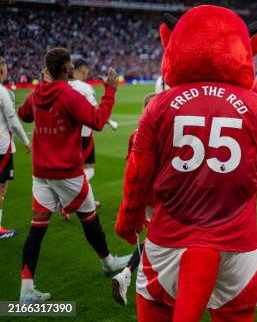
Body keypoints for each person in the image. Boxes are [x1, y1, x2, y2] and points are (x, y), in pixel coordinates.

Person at [115, 7, 257, 321]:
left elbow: (137, 172)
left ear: (171, 43)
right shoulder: (256, 106)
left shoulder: (160, 104)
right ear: (248, 48)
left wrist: (128, 220)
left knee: (157, 309)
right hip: (237, 243)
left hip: (168, 241)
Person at [18, 48, 129, 303]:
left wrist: (39, 89)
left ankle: (26, 291)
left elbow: (24, 116)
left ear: (47, 69)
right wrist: (110, 91)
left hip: (41, 173)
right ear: (67, 69)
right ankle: (109, 263)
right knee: (90, 219)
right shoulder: (69, 95)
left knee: (37, 229)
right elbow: (98, 121)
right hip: (67, 172)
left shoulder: (37, 94)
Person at [111, 93, 158, 306]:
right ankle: (130, 275)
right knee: (164, 238)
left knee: (154, 238)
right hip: (162, 196)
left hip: (142, 195)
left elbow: (131, 166)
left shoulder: (134, 135)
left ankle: (128, 274)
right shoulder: (164, 132)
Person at [69, 59, 119, 208]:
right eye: (86, 72)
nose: (87, 75)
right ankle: (70, 200)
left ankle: (85, 200)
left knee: (76, 169)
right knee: (87, 169)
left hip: (68, 135)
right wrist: (109, 122)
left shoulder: (63, 85)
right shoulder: (85, 88)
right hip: (84, 134)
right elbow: (96, 113)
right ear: (82, 71)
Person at [0, 57, 31, 239]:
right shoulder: (3, 92)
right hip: (2, 147)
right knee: (1, 188)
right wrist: (26, 141)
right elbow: (13, 121)